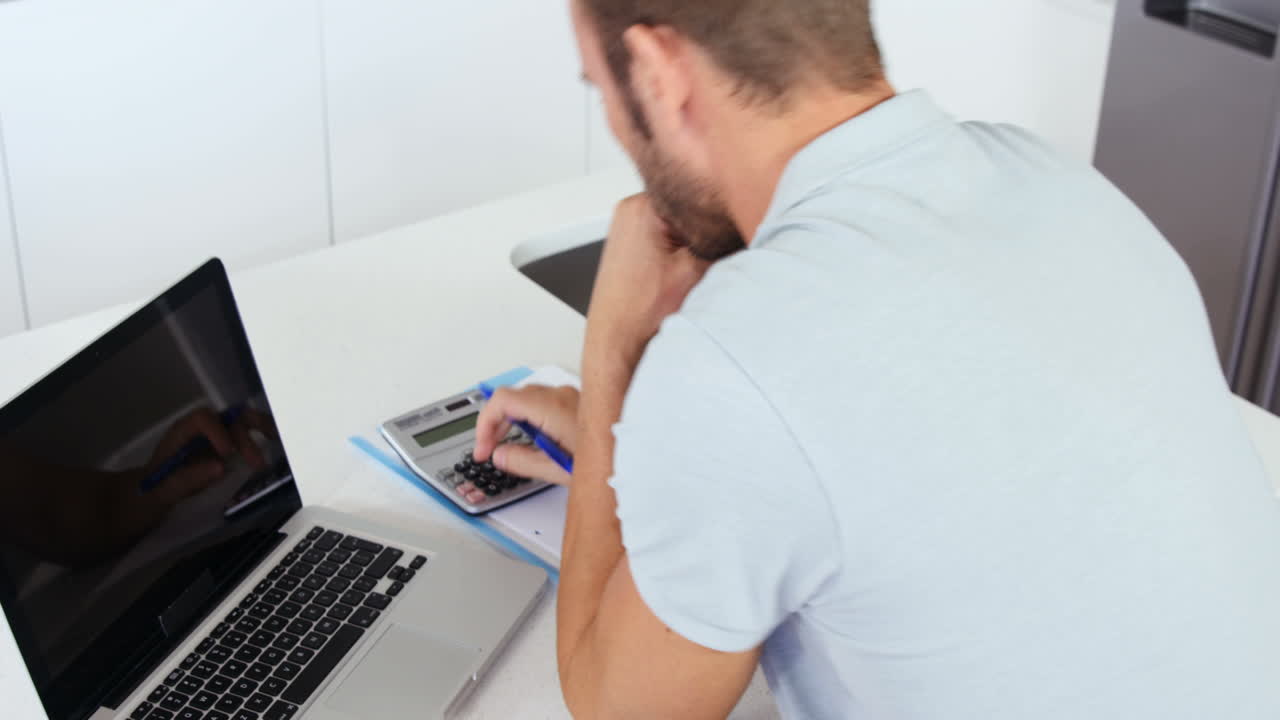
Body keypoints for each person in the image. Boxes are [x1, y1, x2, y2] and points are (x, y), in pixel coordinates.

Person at [473, 1, 1280, 717]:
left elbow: (616, 708)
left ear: (656, 70)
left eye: (601, 89)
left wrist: (613, 349)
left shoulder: (732, 361)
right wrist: (658, 471)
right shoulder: (1056, 178)